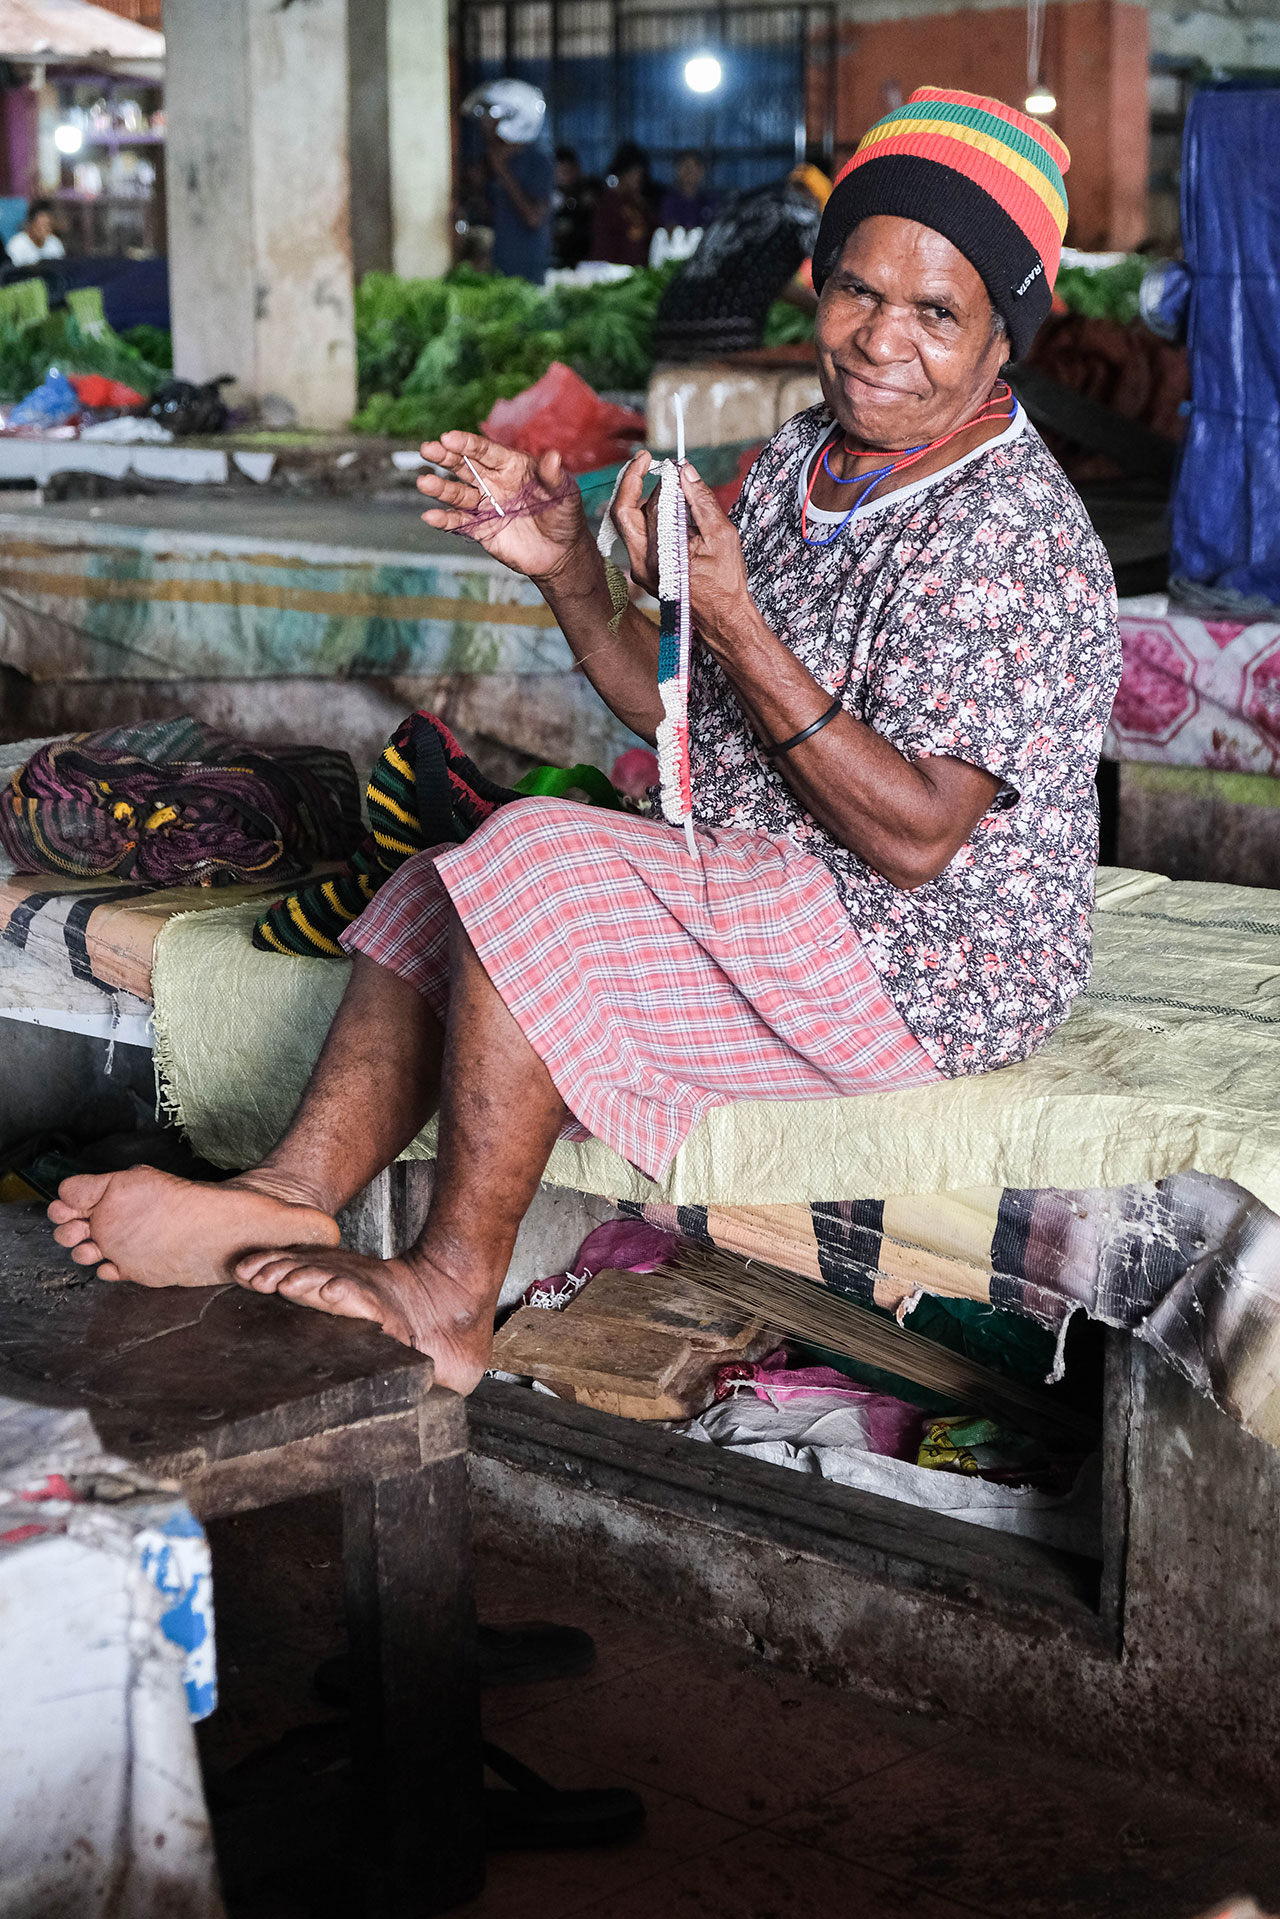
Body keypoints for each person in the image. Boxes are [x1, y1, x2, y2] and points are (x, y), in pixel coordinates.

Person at [48, 88, 1120, 1401]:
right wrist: (564, 565)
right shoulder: (805, 459)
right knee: (445, 879)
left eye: (938, 312)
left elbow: (916, 835)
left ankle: (451, 1293)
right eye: (855, 292)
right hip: (790, 884)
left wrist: (731, 623)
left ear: (1005, 337)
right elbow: (675, 713)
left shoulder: (1009, 535)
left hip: (929, 961)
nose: (880, 341)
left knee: (541, 863)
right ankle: (288, 1191)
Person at [652, 160, 829, 358]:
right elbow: (836, 268)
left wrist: (815, 305)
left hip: (668, 320)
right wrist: (830, 308)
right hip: (724, 327)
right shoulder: (804, 211)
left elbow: (764, 277)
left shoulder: (746, 200)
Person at [475, 80, 554, 282]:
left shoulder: (538, 161)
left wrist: (503, 172)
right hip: (499, 272)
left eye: (491, 115)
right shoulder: (492, 162)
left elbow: (533, 218)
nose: (484, 123)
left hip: (526, 275)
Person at [591, 142, 656, 267]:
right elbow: (603, 245)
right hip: (614, 271)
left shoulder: (639, 203)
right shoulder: (608, 204)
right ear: (623, 174)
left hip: (639, 269)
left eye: (640, 175)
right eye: (635, 174)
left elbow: (653, 231)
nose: (638, 179)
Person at [550, 146, 599, 270]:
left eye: (567, 172)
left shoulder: (588, 192)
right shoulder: (548, 196)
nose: (563, 177)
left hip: (584, 260)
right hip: (556, 260)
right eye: (559, 173)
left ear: (577, 170)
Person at [658, 151, 717, 234]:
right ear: (678, 170)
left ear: (701, 172)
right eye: (686, 167)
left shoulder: (708, 201)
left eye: (693, 168)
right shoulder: (669, 201)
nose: (689, 172)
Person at [7, 198, 66, 268]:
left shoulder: (55, 243)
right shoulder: (16, 244)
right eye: (41, 226)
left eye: (48, 225)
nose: (45, 230)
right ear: (30, 224)